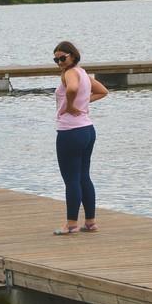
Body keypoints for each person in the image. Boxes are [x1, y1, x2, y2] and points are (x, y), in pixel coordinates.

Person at [52, 41, 109, 235]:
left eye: (62, 58)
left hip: (70, 132)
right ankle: (90, 222)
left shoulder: (70, 74)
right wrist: (82, 103)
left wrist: (70, 105)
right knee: (84, 176)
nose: (59, 62)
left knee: (71, 179)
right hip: (87, 130)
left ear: (73, 56)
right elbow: (103, 91)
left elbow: (72, 89)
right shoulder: (83, 73)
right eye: (56, 59)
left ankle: (71, 224)